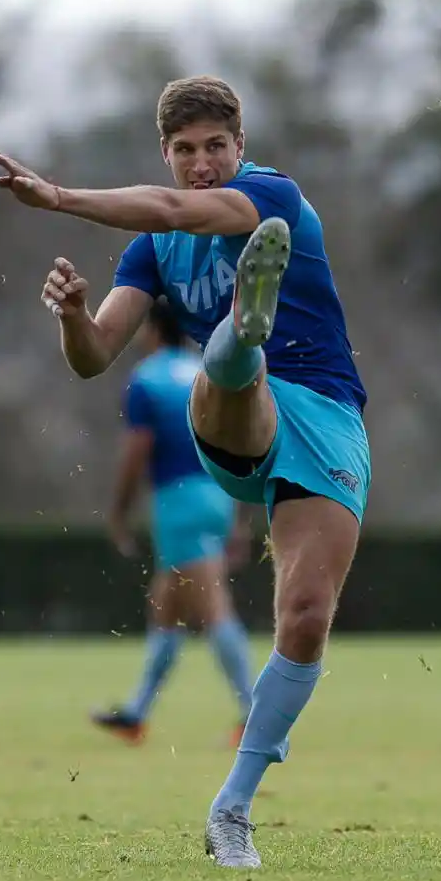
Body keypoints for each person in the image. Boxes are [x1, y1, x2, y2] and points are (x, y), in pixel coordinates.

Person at [0, 73, 369, 870]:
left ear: (240, 147)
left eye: (215, 148)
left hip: (328, 414)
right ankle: (240, 335)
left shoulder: (269, 196)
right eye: (186, 151)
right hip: (236, 416)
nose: (201, 164)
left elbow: (172, 208)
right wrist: (70, 318)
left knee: (304, 614)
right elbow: (95, 359)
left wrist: (56, 196)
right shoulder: (151, 253)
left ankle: (232, 810)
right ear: (166, 152)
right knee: (234, 370)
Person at [94, 297, 254, 745]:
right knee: (165, 607)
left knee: (213, 609)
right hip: (217, 492)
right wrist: (240, 516)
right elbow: (237, 439)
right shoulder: (207, 371)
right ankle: (136, 713)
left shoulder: (146, 379)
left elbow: (136, 451)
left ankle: (256, 713)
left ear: (151, 330)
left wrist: (119, 511)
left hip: (177, 500)